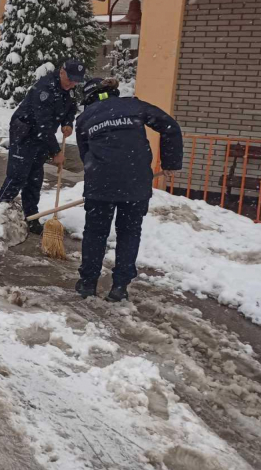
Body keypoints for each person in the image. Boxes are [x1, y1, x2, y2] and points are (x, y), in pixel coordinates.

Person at [74, 77, 182, 302]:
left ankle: (87, 283)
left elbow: (85, 155)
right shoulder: (134, 105)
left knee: (95, 232)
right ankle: (120, 286)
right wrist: (170, 163)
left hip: (100, 184)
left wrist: (101, 171)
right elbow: (170, 126)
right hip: (135, 182)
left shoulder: (84, 118)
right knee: (129, 233)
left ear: (89, 98)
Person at [0, 59, 86, 233]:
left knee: (35, 179)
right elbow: (42, 124)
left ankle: (32, 218)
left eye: (77, 80)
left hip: (41, 138)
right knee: (18, 176)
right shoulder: (45, 88)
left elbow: (71, 108)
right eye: (70, 79)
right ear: (61, 72)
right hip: (24, 132)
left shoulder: (69, 90)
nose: (73, 84)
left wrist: (68, 123)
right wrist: (56, 152)